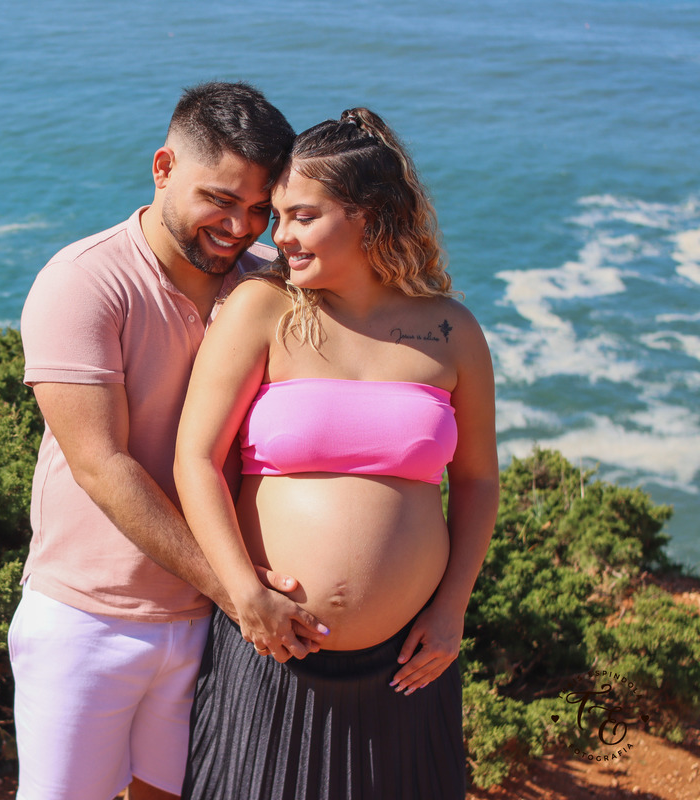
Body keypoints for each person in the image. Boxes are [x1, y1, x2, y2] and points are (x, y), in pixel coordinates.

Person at [9, 82, 329, 800]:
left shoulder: (268, 290)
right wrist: (238, 592)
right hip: (90, 619)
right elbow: (102, 465)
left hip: (216, 627)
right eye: (221, 199)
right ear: (163, 167)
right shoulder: (84, 282)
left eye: (260, 209)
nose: (240, 227)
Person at [174, 108, 500, 799]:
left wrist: (451, 611)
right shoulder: (262, 309)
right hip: (269, 646)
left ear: (369, 215)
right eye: (278, 217)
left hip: (408, 663)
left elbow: (476, 481)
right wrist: (244, 594)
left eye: (302, 216)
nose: (278, 236)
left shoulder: (451, 330)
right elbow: (195, 459)